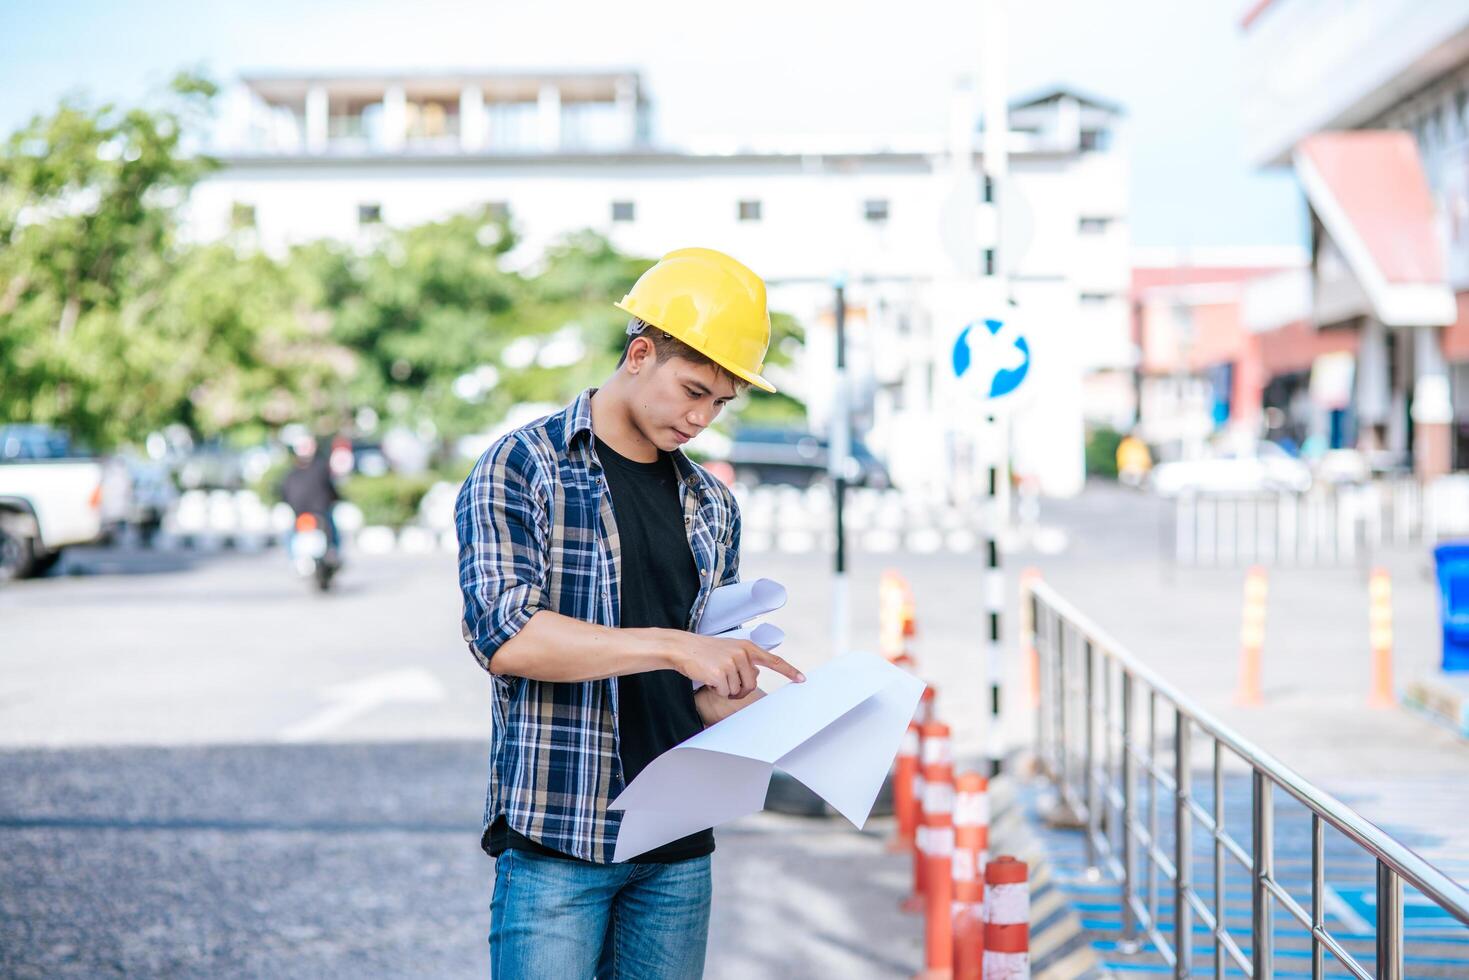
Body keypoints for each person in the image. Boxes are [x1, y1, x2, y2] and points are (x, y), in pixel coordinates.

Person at [456, 247, 806, 978]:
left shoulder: (711, 504)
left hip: (677, 850)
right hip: (559, 840)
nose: (703, 416)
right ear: (639, 354)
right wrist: (676, 647)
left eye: (720, 402)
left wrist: (770, 715)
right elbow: (507, 635)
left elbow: (703, 681)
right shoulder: (523, 467)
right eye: (692, 390)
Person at [279, 433, 341, 559]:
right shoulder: (319, 467)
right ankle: (332, 551)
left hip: (307, 512)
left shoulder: (293, 470)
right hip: (311, 512)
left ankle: (331, 552)